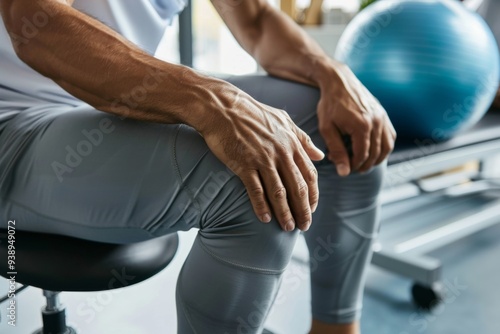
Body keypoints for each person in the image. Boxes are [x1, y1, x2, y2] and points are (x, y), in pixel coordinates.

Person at [0, 1, 395, 333]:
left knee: (343, 126)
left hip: (108, 104)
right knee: (248, 173)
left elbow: (255, 20)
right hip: (12, 126)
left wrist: (331, 73)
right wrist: (213, 101)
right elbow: (37, 25)